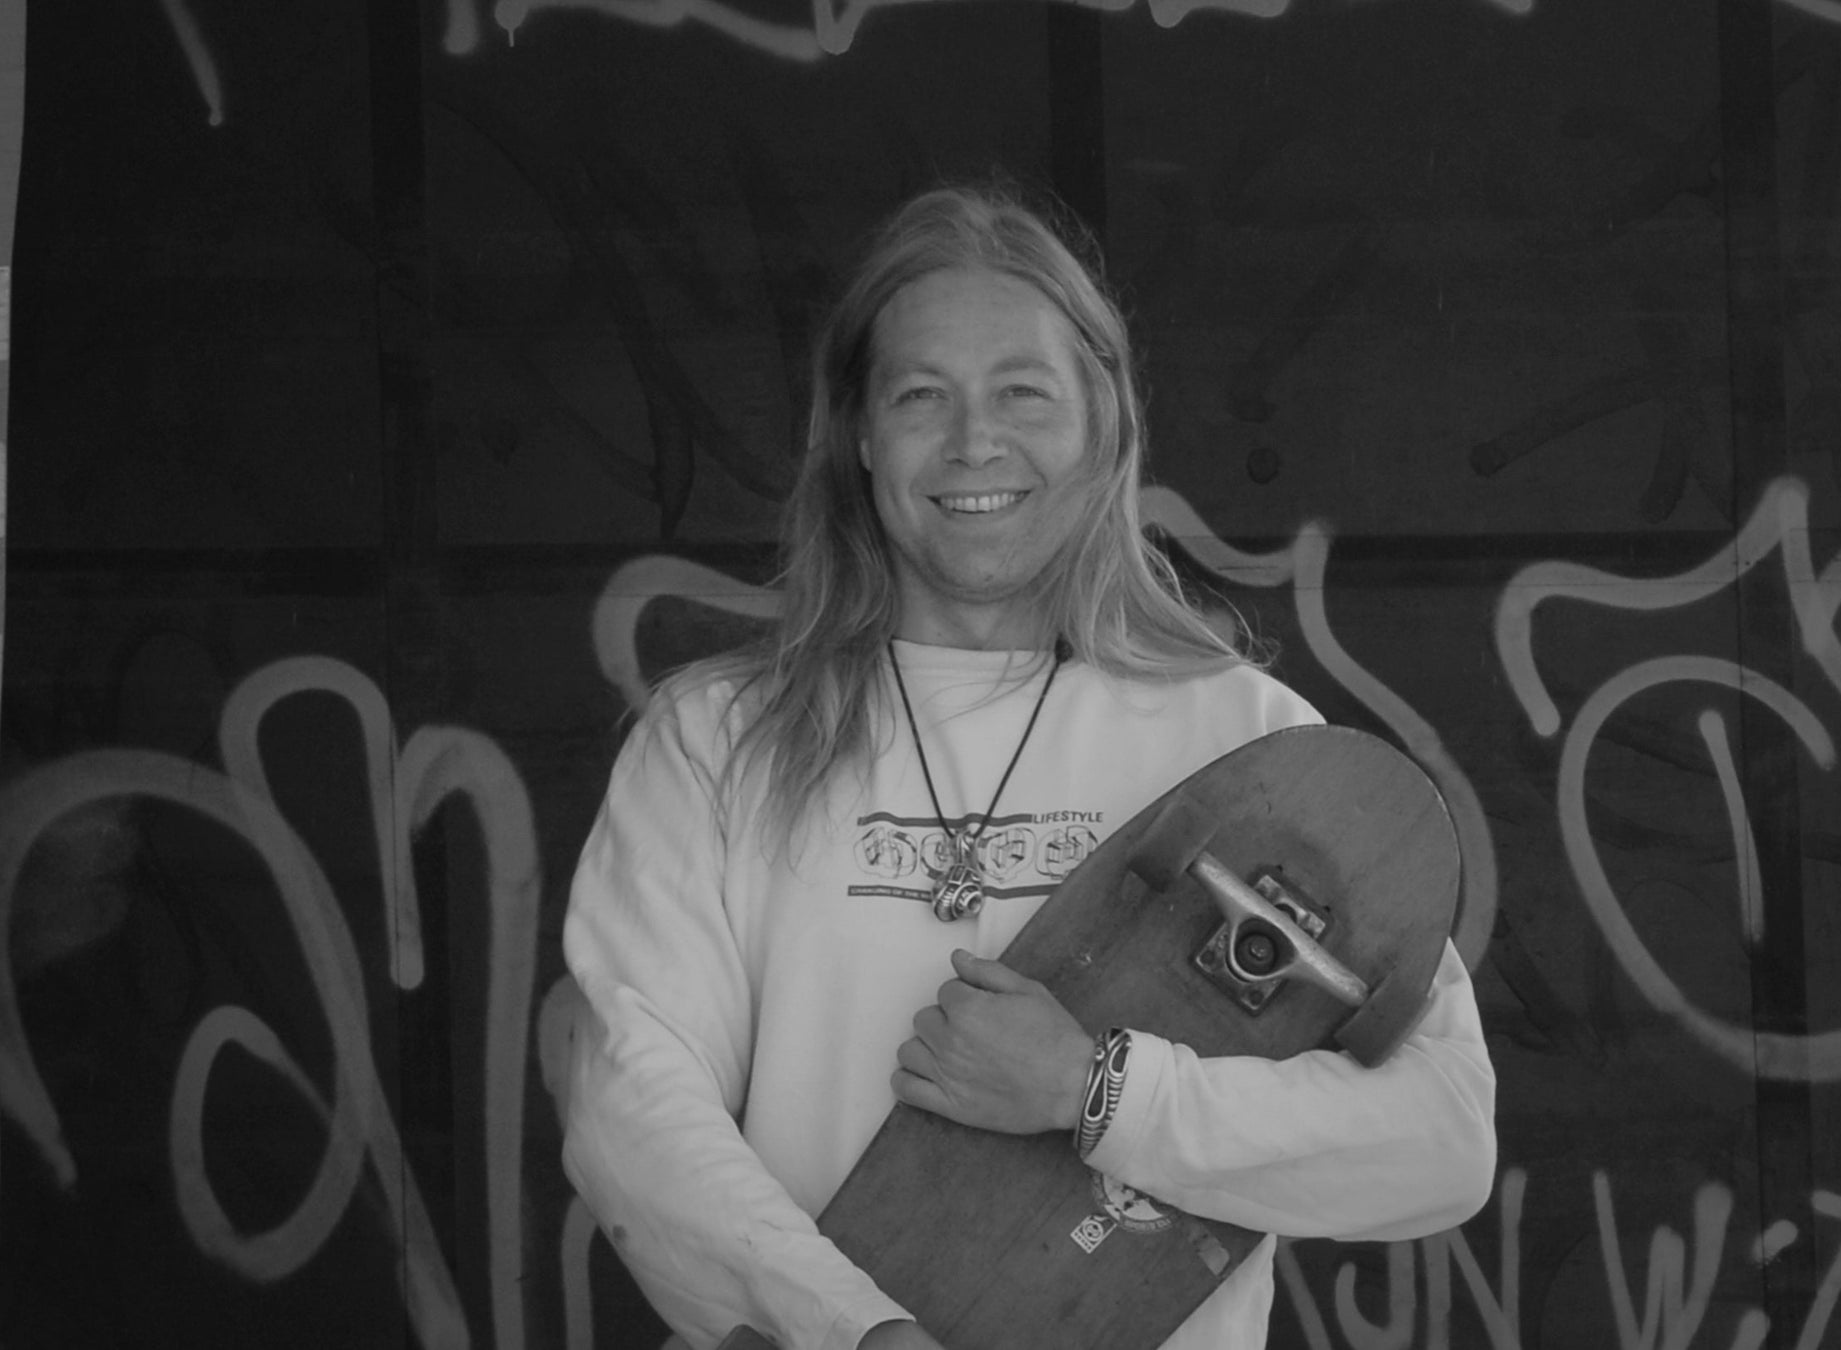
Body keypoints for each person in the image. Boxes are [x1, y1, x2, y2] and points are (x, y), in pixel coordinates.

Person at [559, 184, 1496, 1350]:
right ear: (858, 436)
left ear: (1101, 420)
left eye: (1023, 391)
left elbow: (1441, 1134)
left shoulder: (1244, 740)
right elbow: (629, 1105)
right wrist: (857, 1334)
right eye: (920, 395)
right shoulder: (717, 742)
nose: (973, 442)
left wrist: (1100, 1094)